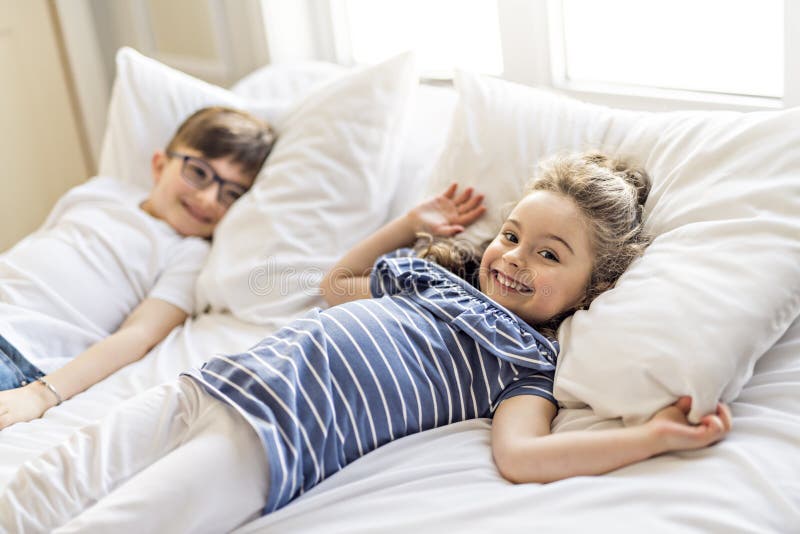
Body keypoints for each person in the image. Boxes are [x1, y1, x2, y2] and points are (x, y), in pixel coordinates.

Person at [0, 152, 732, 533]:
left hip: (272, 443)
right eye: (512, 235)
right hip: (213, 383)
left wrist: (653, 437)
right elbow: (335, 283)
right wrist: (410, 223)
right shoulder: (430, 280)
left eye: (548, 255)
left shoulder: (526, 363)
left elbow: (523, 455)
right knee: (39, 486)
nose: (512, 257)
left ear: (592, 289)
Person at [0, 106, 276, 429]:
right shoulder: (99, 192)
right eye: (199, 172)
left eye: (231, 194)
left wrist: (41, 395)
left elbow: (140, 335)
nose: (209, 198)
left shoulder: (190, 256)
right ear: (160, 165)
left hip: (18, 352)